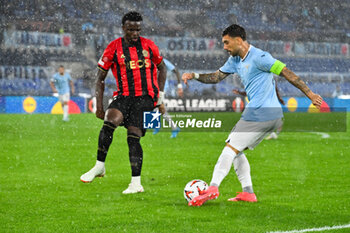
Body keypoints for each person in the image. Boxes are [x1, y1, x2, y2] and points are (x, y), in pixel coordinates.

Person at [182, 24, 322, 206]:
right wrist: (194, 75)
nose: (224, 47)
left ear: (238, 40)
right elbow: (216, 77)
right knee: (236, 151)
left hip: (261, 113)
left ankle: (213, 188)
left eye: (226, 42)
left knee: (229, 148)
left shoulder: (260, 57)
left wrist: (310, 94)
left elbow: (288, 73)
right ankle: (248, 192)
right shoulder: (235, 61)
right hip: (269, 115)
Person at [80, 12, 167, 194]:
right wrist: (99, 106)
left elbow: (162, 68)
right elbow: (100, 79)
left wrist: (160, 99)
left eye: (137, 30)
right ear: (123, 28)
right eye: (130, 30)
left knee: (133, 137)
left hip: (146, 98)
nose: (134, 33)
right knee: (109, 123)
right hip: (124, 96)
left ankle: (136, 183)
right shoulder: (113, 48)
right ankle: (99, 166)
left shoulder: (149, 46)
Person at [153, 58, 182, 138]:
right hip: (152, 89)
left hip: (161, 89)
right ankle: (157, 126)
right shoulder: (147, 60)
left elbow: (176, 71)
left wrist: (179, 86)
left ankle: (173, 127)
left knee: (160, 109)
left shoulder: (163, 61)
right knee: (156, 108)